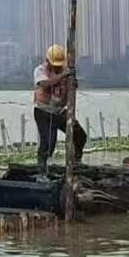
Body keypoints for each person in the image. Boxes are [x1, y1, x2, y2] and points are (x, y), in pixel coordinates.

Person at [34, 44, 88, 179]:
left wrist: (73, 83)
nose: (57, 68)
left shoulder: (67, 72)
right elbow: (44, 84)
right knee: (48, 142)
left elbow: (71, 90)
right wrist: (62, 75)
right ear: (48, 61)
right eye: (54, 65)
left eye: (59, 65)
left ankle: (76, 161)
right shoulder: (40, 70)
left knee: (80, 134)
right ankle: (41, 172)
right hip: (43, 111)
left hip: (59, 112)